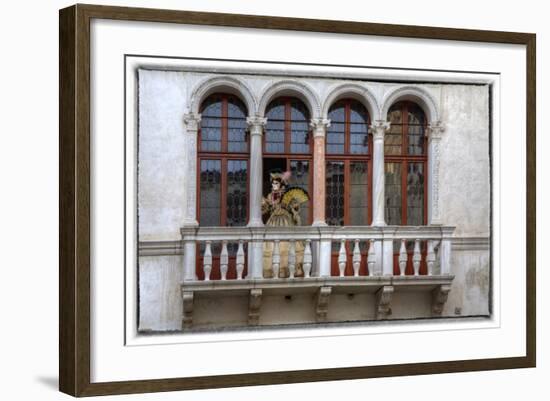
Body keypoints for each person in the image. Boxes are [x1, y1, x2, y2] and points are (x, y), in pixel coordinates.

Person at [262, 171, 309, 278]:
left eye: (276, 183)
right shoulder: (270, 196)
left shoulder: (287, 195)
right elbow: (265, 209)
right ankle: (274, 271)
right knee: (272, 246)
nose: (274, 185)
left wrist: (293, 207)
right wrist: (263, 203)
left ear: (281, 185)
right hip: (273, 222)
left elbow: (295, 207)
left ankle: (287, 270)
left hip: (285, 221)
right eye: (273, 183)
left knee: (286, 245)